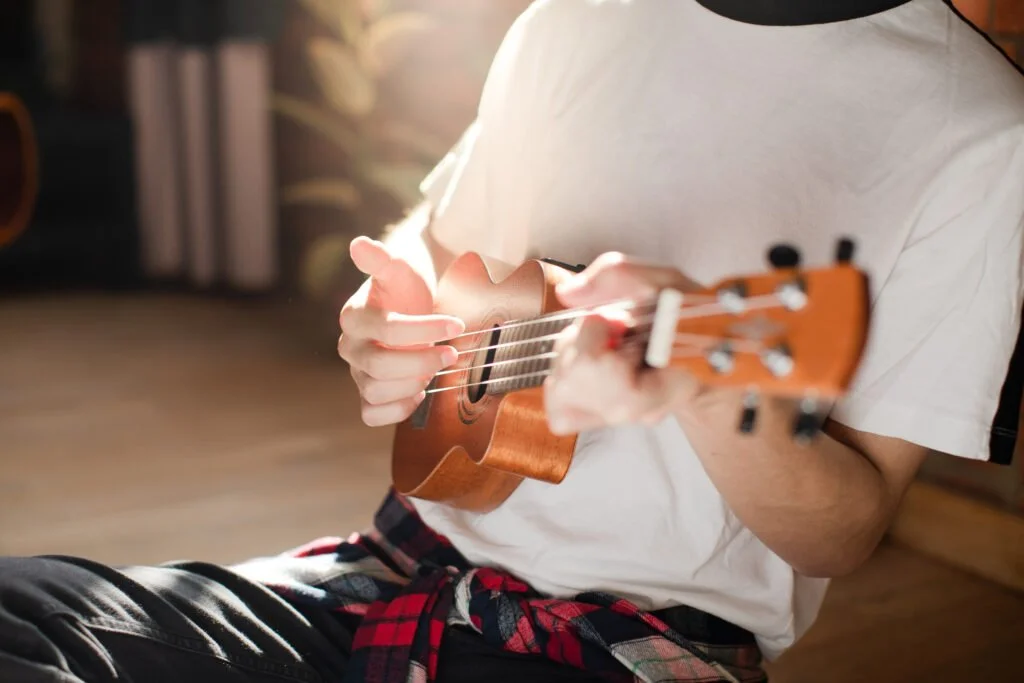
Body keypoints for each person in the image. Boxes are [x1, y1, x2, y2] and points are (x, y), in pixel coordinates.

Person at [2, 0, 1023, 681]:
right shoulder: (575, 17)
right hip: (393, 566)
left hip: (629, 644)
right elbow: (439, 239)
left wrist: (711, 396)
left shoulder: (984, 130)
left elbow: (842, 533)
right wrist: (389, 316)